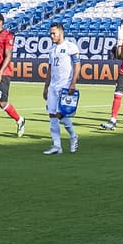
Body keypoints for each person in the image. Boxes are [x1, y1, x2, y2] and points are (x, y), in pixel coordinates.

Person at [42, 22, 80, 154]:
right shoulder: (52, 50)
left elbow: (77, 65)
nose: (52, 36)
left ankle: (72, 136)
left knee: (59, 114)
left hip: (65, 86)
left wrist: (73, 83)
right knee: (52, 115)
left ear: (61, 32)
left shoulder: (71, 47)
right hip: (53, 86)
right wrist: (46, 86)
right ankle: (57, 146)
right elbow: (50, 68)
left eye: (54, 33)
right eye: (51, 34)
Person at [100, 23, 123, 131]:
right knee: (117, 95)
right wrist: (119, 41)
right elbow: (118, 56)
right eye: (122, 26)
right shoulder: (121, 40)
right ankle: (113, 120)